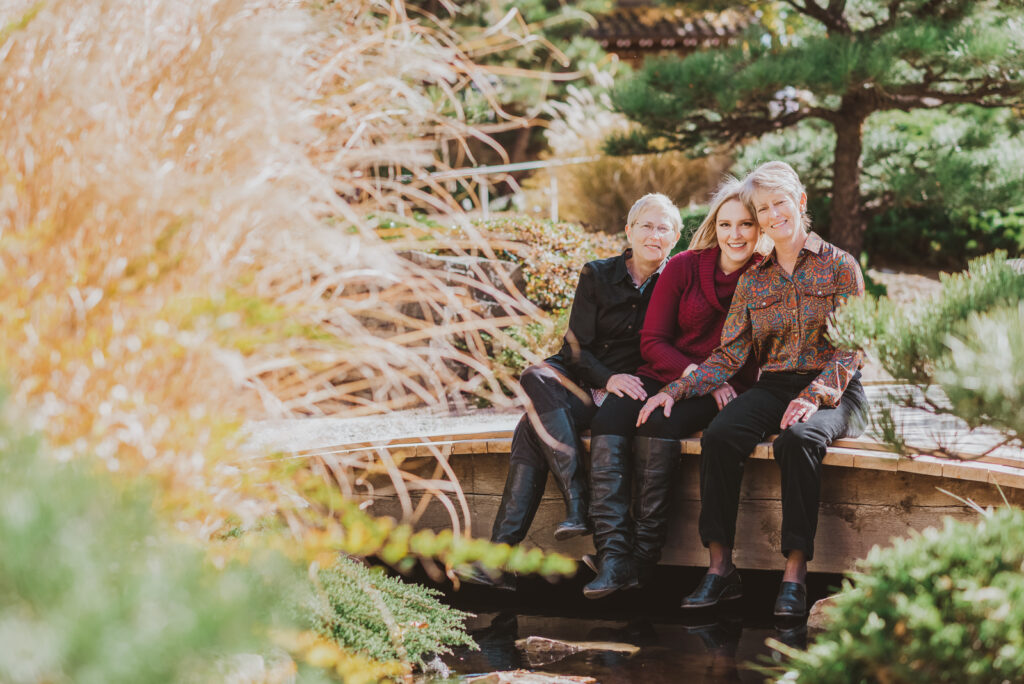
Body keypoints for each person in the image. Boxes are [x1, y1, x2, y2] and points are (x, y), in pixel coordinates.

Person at [637, 161, 869, 617]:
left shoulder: (840, 265)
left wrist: (813, 397)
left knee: (798, 439)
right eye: (762, 209)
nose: (772, 214)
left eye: (780, 203)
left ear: (800, 202)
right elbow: (729, 355)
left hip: (838, 389)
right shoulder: (754, 278)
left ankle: (794, 574)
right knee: (721, 435)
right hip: (777, 384)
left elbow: (853, 348)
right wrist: (674, 391)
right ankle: (720, 569)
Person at [460, 193, 681, 590]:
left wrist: (619, 384)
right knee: (535, 376)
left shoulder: (676, 284)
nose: (654, 235)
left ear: (676, 237)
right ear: (629, 231)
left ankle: (500, 557)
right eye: (646, 226)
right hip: (582, 373)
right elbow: (575, 348)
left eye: (663, 228)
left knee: (532, 427)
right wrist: (606, 377)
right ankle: (575, 500)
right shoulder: (597, 274)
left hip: (624, 392)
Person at [581, 180, 765, 599]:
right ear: (714, 227)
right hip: (669, 370)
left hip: (725, 385)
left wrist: (710, 381)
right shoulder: (684, 266)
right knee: (611, 416)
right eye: (726, 225)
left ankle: (643, 560)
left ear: (759, 229)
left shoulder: (763, 276)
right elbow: (652, 341)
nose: (735, 234)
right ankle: (613, 557)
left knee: (659, 422)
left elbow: (751, 353)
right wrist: (692, 373)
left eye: (746, 224)